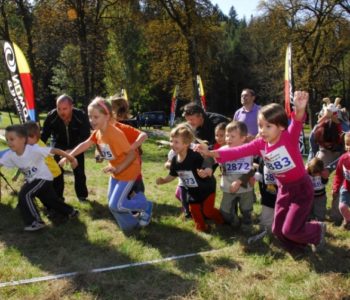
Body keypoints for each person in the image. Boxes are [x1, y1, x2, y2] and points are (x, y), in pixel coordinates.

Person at [196, 91, 326, 252]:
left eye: (268, 126)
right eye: (260, 126)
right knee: (278, 230)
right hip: (284, 189)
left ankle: (316, 231)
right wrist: (210, 153)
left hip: (301, 188)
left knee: (290, 230)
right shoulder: (260, 144)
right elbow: (237, 151)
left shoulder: (288, 136)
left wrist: (299, 109)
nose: (262, 130)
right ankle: (298, 247)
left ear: (281, 127)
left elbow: (297, 120)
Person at [60, 97, 153, 232]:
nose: (92, 121)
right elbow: (85, 144)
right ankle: (131, 227)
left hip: (128, 172)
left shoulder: (115, 134)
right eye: (90, 117)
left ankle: (144, 204)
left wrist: (119, 168)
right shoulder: (98, 133)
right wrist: (69, 156)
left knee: (116, 205)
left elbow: (132, 155)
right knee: (113, 205)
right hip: (115, 172)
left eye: (96, 117)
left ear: (107, 116)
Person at [0, 124, 79, 231]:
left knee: (25, 194)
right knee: (51, 200)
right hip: (34, 180)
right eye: (7, 139)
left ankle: (35, 222)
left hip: (43, 178)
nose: (9, 142)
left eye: (12, 139)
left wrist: (71, 158)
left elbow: (55, 150)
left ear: (23, 139)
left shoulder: (33, 149)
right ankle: (71, 211)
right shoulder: (10, 155)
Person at [156, 124, 224, 232]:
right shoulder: (174, 160)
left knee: (208, 211)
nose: (172, 144)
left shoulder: (194, 155)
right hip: (192, 191)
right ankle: (202, 227)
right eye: (171, 141)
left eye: (176, 142)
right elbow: (173, 174)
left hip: (207, 188)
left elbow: (207, 160)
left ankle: (221, 220)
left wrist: (206, 170)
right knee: (194, 211)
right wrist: (164, 180)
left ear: (186, 143)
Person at [41, 94, 91, 202]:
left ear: (71, 107)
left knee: (79, 171)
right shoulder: (52, 116)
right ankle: (58, 197)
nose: (61, 112)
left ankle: (82, 196)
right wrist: (35, 148)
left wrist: (71, 151)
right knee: (57, 171)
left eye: (64, 108)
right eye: (59, 108)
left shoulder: (81, 115)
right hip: (58, 144)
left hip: (77, 144)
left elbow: (85, 137)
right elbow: (44, 135)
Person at [219, 121, 255, 227]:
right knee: (224, 210)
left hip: (245, 188)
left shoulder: (248, 150)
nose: (228, 139)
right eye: (227, 136)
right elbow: (212, 160)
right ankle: (234, 221)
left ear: (243, 138)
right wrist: (207, 168)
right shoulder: (222, 150)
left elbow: (250, 169)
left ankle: (246, 224)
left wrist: (239, 181)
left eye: (232, 136)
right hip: (228, 187)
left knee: (246, 209)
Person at [332, 132, 350, 230]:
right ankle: (347, 220)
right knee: (342, 207)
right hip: (346, 187)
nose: (349, 147)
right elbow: (338, 174)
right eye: (347, 144)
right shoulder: (343, 158)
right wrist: (335, 188)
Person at [306, 157, 329, 221]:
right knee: (308, 210)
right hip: (309, 197)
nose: (315, 174)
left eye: (317, 172)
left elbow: (325, 182)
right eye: (313, 172)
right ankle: (309, 221)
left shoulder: (322, 174)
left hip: (320, 197)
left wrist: (325, 178)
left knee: (320, 211)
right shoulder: (307, 174)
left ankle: (319, 222)